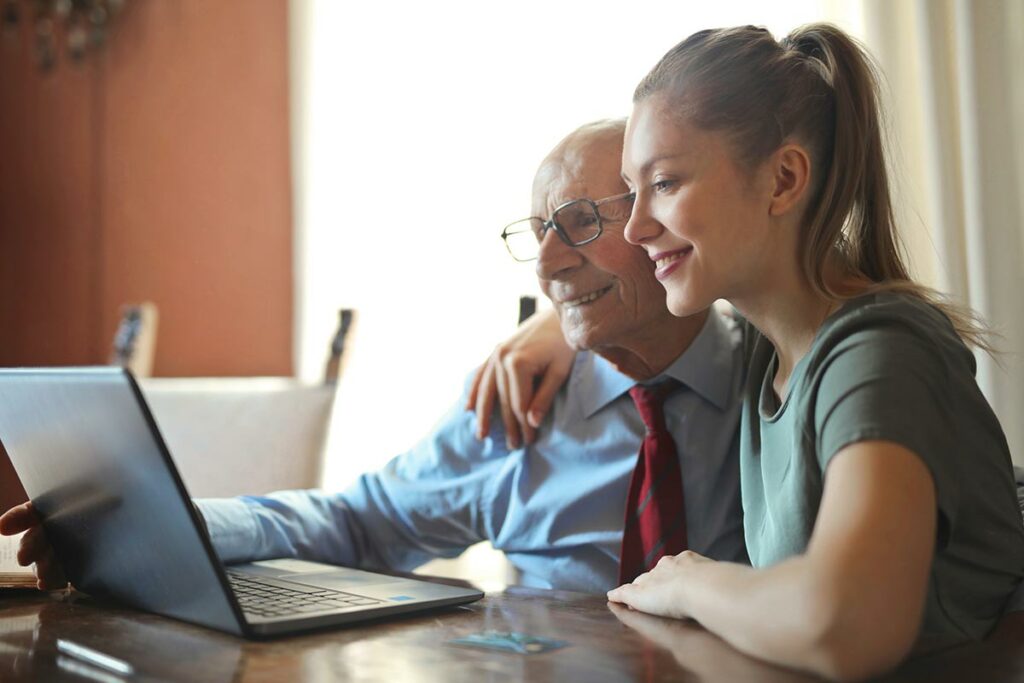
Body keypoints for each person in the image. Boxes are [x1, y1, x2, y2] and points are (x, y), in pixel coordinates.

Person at [474, 23, 1024, 681]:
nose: (636, 226)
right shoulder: (772, 355)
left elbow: (844, 624)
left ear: (784, 179)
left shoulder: (881, 356)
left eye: (666, 183)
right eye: (632, 189)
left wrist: (687, 582)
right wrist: (563, 327)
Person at [0, 119, 747, 595]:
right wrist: (170, 523)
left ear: (666, 217)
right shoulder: (518, 402)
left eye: (580, 222)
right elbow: (360, 521)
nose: (546, 264)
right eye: (539, 230)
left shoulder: (781, 373)